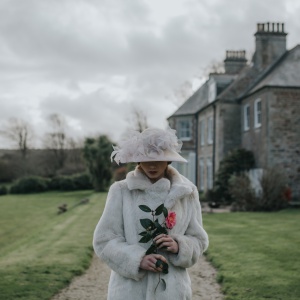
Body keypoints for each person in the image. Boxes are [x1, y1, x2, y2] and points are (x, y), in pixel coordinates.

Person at [93, 127, 209, 300]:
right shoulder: (121, 190)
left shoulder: (187, 192)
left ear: (169, 160)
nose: (152, 165)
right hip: (129, 291)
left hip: (172, 291)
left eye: (158, 159)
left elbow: (199, 240)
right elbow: (104, 240)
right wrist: (137, 259)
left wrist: (180, 246)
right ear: (137, 160)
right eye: (145, 159)